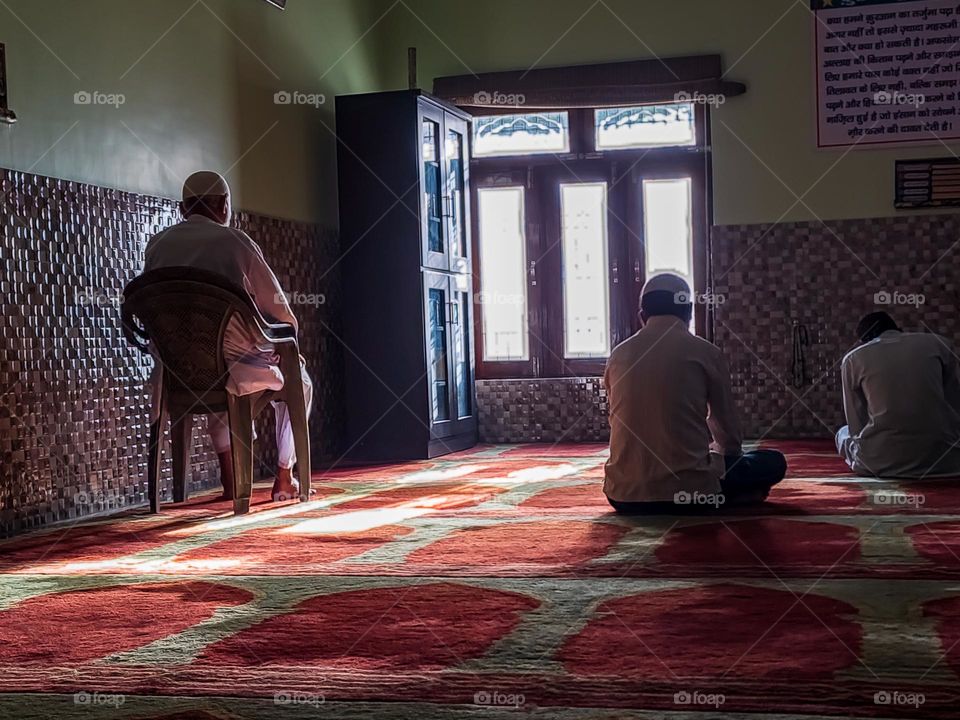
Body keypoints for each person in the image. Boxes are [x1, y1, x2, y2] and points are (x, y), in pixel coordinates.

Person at [143, 171, 313, 501]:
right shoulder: (235, 242)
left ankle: (230, 473)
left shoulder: (157, 245)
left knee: (219, 366)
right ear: (223, 206)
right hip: (231, 367)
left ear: (182, 208)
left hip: (175, 371)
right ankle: (284, 475)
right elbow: (280, 311)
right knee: (297, 378)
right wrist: (284, 341)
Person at [603, 273, 787, 514]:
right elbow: (728, 433)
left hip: (623, 496)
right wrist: (725, 462)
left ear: (642, 316)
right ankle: (733, 496)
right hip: (691, 493)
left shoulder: (617, 355)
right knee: (773, 462)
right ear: (689, 313)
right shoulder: (705, 352)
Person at [837, 311, 960, 477]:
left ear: (865, 339)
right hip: (946, 460)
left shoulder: (853, 359)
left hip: (879, 462)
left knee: (842, 433)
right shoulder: (939, 344)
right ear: (897, 328)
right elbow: (954, 401)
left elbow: (855, 424)